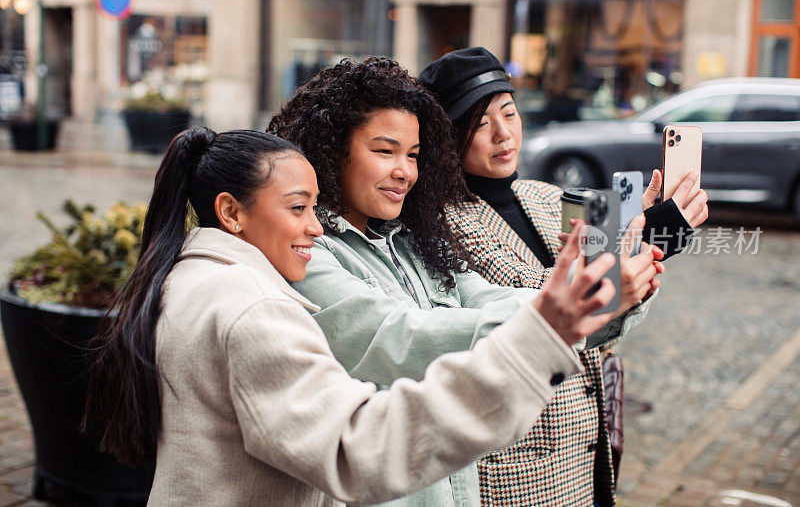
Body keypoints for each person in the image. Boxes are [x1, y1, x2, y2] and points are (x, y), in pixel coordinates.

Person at [83, 127, 623, 506]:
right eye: (296, 208)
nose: (314, 227)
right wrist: (537, 340)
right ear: (231, 212)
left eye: (414, 153)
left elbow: (480, 300)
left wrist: (587, 304)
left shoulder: (194, 275)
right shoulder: (255, 307)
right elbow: (359, 444)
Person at [269, 57, 656, 506]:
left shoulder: (417, 241)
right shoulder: (307, 249)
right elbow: (396, 337)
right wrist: (560, 312)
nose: (404, 171)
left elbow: (493, 297)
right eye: (384, 151)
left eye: (413, 156)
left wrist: (608, 288)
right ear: (332, 149)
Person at [418, 46, 709, 505]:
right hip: (521, 463)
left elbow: (615, 303)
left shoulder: (548, 195)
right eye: (478, 124)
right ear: (446, 139)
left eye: (509, 113)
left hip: (588, 442)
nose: (502, 134)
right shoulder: (442, 222)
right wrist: (648, 235)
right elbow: (538, 301)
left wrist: (653, 236)